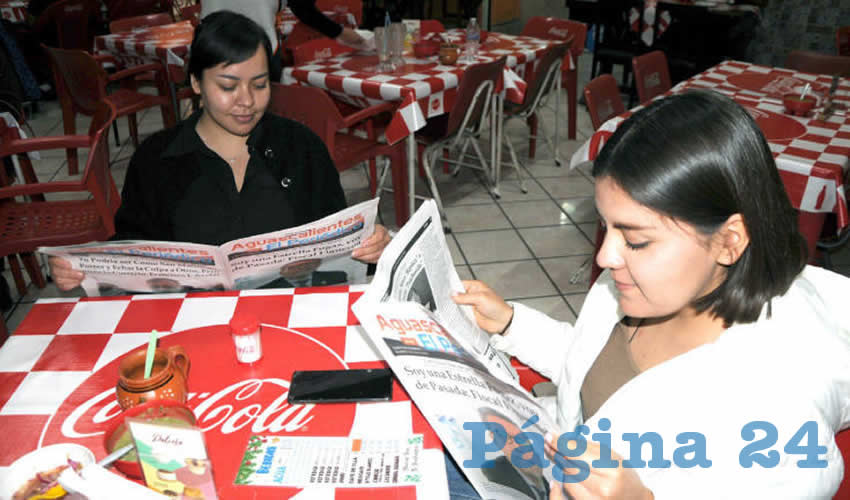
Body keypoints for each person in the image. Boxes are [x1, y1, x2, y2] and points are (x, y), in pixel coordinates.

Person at [453, 90, 850, 498]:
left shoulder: (777, 407)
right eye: (606, 226)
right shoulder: (641, 289)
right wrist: (513, 324)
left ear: (729, 241)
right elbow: (592, 365)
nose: (606, 256)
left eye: (637, 240)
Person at [49, 11, 390, 292]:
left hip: (292, 315)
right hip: (189, 325)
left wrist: (371, 244)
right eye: (228, 86)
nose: (247, 101)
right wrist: (79, 268)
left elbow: (339, 234)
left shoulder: (300, 146)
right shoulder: (157, 159)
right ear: (196, 83)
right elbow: (132, 247)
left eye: (259, 85)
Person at [200, 0, 366, 80]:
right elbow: (304, 9)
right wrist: (340, 33)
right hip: (253, 48)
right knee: (259, 115)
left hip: (210, 41)